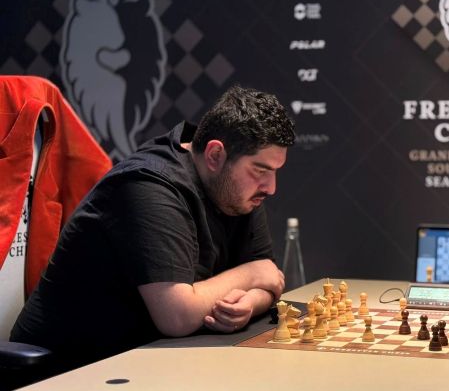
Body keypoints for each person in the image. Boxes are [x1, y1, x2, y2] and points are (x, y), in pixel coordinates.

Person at [11, 85, 294, 371]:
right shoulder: (148, 185)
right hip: (66, 371)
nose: (270, 187)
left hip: (145, 361)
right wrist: (250, 275)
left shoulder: (238, 191)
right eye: (260, 170)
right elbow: (177, 316)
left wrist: (249, 303)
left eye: (275, 171)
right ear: (215, 155)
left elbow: (271, 281)